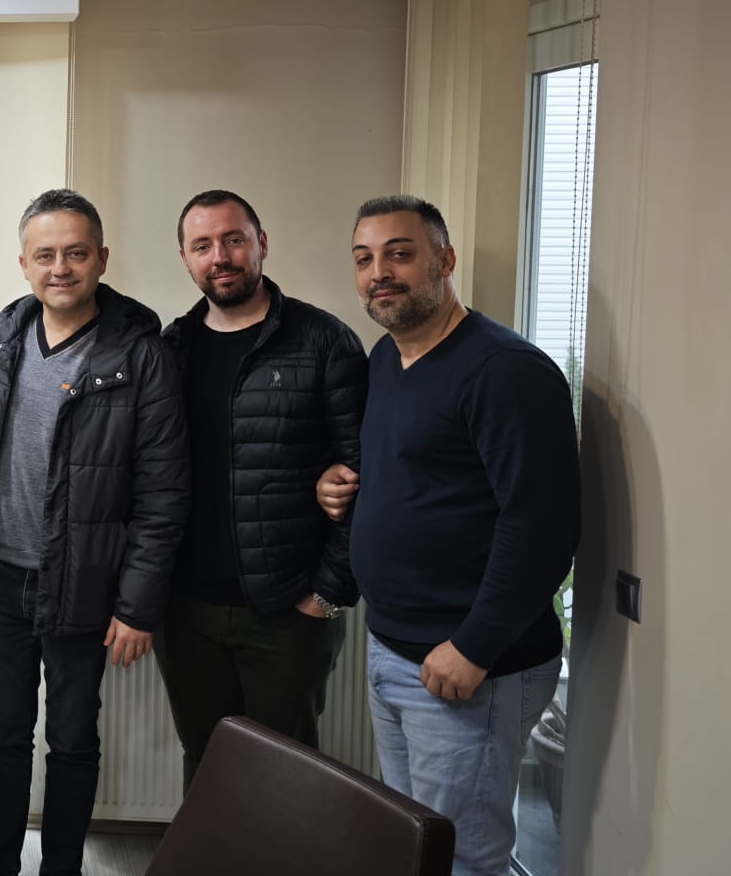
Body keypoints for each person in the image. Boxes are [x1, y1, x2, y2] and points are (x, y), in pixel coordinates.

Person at [316, 196, 579, 876]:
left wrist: (474, 646)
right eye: (364, 259)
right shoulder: (387, 358)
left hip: (470, 666)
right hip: (394, 649)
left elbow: (543, 526)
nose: (380, 273)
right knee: (418, 844)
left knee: (466, 859)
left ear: (445, 260)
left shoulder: (506, 371)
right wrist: (344, 488)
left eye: (400, 254)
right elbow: (426, 476)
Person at [0, 188, 189, 876]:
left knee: (71, 740)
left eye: (75, 253)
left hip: (84, 586)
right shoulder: (0, 339)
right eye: (45, 255)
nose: (60, 267)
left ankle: (62, 868)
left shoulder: (142, 354)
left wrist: (137, 606)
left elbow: (163, 491)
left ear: (102, 259)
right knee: (3, 736)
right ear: (24, 264)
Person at [154, 190, 365, 791]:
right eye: (202, 246)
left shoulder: (324, 341)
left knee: (284, 781)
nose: (219, 257)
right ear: (185, 259)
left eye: (233, 239)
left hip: (286, 613)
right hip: (186, 612)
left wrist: (325, 596)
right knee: (207, 769)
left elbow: (361, 474)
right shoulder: (171, 349)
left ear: (261, 244)